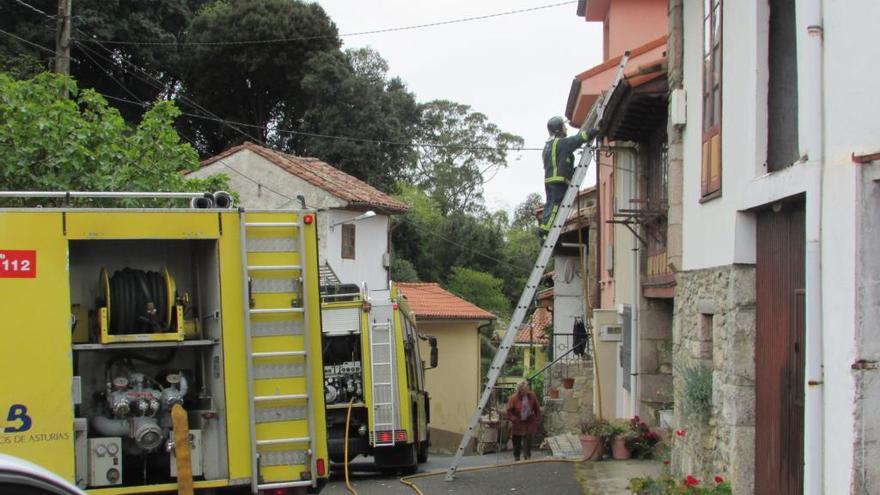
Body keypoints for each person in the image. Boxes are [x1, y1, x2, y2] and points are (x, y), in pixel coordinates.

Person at [539, 117, 599, 236]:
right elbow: (578, 139)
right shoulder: (562, 143)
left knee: (550, 204)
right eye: (563, 126)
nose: (565, 128)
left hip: (550, 180)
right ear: (558, 129)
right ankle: (545, 230)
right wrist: (596, 130)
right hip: (559, 181)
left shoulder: (548, 146)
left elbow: (561, 162)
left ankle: (544, 228)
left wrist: (573, 171)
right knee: (555, 205)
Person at [506, 380, 542, 461]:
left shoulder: (532, 395)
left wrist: (537, 419)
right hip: (518, 421)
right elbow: (508, 411)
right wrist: (514, 419)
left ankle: (527, 456)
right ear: (520, 390)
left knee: (528, 439)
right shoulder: (513, 398)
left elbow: (536, 408)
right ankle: (517, 456)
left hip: (529, 420)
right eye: (525, 389)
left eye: (527, 388)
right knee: (516, 440)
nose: (527, 390)